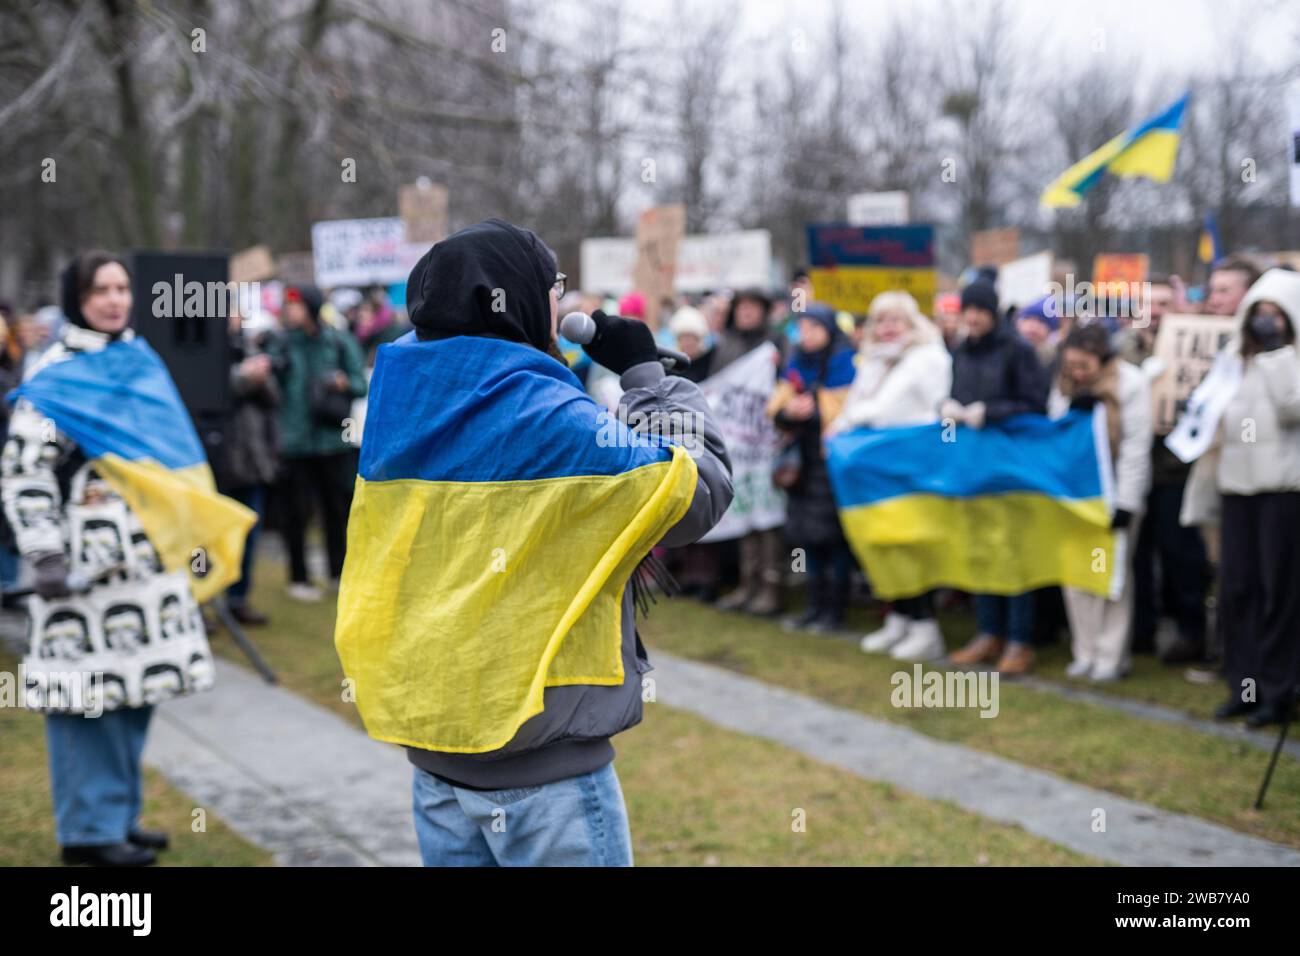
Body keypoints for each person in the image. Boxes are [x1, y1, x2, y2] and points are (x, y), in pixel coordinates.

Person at [335, 219, 732, 866]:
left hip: (439, 752)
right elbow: (695, 490)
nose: (561, 301)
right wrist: (646, 378)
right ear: (515, 296)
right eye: (554, 286)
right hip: (544, 774)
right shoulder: (539, 411)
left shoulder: (401, 394)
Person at [2, 251, 217, 866]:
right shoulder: (54, 377)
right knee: (83, 703)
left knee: (133, 696)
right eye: (101, 289)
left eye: (123, 287)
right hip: (80, 577)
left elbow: (176, 460)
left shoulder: (140, 362)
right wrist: (44, 555)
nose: (116, 299)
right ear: (77, 297)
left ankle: (119, 816)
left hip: (148, 568)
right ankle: (88, 835)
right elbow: (25, 472)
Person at [1179, 269, 1300, 727]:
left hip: (1281, 491)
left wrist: (1278, 354)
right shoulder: (1232, 360)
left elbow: (1294, 407)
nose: (1265, 323)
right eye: (1258, 314)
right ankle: (1244, 684)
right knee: (1237, 589)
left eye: (1276, 314)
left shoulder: (1287, 360)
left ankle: (1278, 688)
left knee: (1278, 592)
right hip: (1236, 489)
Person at [828, 292, 952, 660]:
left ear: (912, 322)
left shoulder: (927, 357)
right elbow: (855, 403)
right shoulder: (873, 360)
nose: (888, 328)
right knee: (881, 542)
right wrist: (837, 426)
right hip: (873, 468)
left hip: (909, 464)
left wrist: (845, 424)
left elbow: (886, 408)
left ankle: (924, 624)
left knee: (908, 542)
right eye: (881, 321)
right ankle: (899, 615)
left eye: (896, 320)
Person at [942, 279, 1050, 674]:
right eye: (966, 310)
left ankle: (1021, 639)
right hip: (974, 463)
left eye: (979, 310)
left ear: (991, 311)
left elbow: (1036, 405)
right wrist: (949, 410)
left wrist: (990, 411)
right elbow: (956, 393)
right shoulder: (960, 351)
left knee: (1014, 551)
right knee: (983, 548)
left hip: (1011, 462)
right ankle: (989, 632)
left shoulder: (1017, 350)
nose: (972, 317)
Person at [1047, 324, 1152, 681]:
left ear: (1101, 358)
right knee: (1078, 576)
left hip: (1113, 494)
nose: (1077, 373)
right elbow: (1055, 435)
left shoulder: (1130, 383)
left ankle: (1111, 654)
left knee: (1112, 576)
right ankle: (1085, 649)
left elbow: (1136, 447)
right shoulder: (1064, 386)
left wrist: (1126, 502)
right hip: (1076, 497)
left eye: (1084, 366)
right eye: (1070, 365)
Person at [1121, 276, 1212, 662]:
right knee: (1137, 555)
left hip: (1177, 469)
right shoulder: (1124, 352)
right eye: (1148, 304)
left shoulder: (1197, 347)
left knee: (1181, 553)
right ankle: (1141, 631)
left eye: (1162, 303)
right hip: (1137, 471)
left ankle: (1191, 633)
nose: (1155, 312)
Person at [268, 284, 367, 602]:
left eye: (295, 305)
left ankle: (338, 573)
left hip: (332, 441)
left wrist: (341, 382)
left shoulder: (338, 342)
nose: (289, 311)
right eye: (287, 305)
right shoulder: (281, 343)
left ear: (310, 307)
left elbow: (360, 382)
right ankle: (299, 577)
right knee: (295, 513)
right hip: (294, 442)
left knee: (336, 511)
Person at [768, 303, 857, 633]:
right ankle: (813, 605)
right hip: (801, 465)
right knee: (806, 538)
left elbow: (846, 413)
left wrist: (813, 410)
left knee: (834, 540)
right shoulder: (795, 363)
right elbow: (775, 410)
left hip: (831, 463)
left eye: (813, 328)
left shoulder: (844, 363)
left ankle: (835, 611)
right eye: (802, 328)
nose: (805, 335)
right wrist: (790, 412)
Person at [713, 288, 786, 616]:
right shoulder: (726, 345)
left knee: (767, 518)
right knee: (742, 513)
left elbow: (790, 384)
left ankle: (771, 587)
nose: (746, 313)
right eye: (741, 307)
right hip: (737, 447)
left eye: (753, 307)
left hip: (766, 447)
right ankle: (748, 583)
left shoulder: (778, 345)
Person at [212, 312, 281, 625]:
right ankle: (203, 600)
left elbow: (275, 397)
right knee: (208, 540)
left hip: (251, 462)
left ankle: (238, 598)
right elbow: (211, 393)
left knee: (248, 536)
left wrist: (260, 377)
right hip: (218, 463)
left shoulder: (250, 350)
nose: (235, 317)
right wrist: (244, 378)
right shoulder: (202, 354)